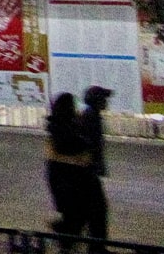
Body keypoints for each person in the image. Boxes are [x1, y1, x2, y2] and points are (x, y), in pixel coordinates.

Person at [46, 92, 95, 237]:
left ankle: (65, 232)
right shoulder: (61, 126)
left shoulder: (61, 124)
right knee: (75, 214)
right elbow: (69, 146)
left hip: (65, 175)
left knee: (76, 214)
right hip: (66, 176)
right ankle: (64, 234)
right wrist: (84, 143)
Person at [80, 86, 112, 241]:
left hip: (87, 171)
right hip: (87, 172)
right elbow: (91, 146)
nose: (106, 102)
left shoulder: (91, 116)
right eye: (103, 99)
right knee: (98, 209)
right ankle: (96, 246)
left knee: (93, 209)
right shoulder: (91, 118)